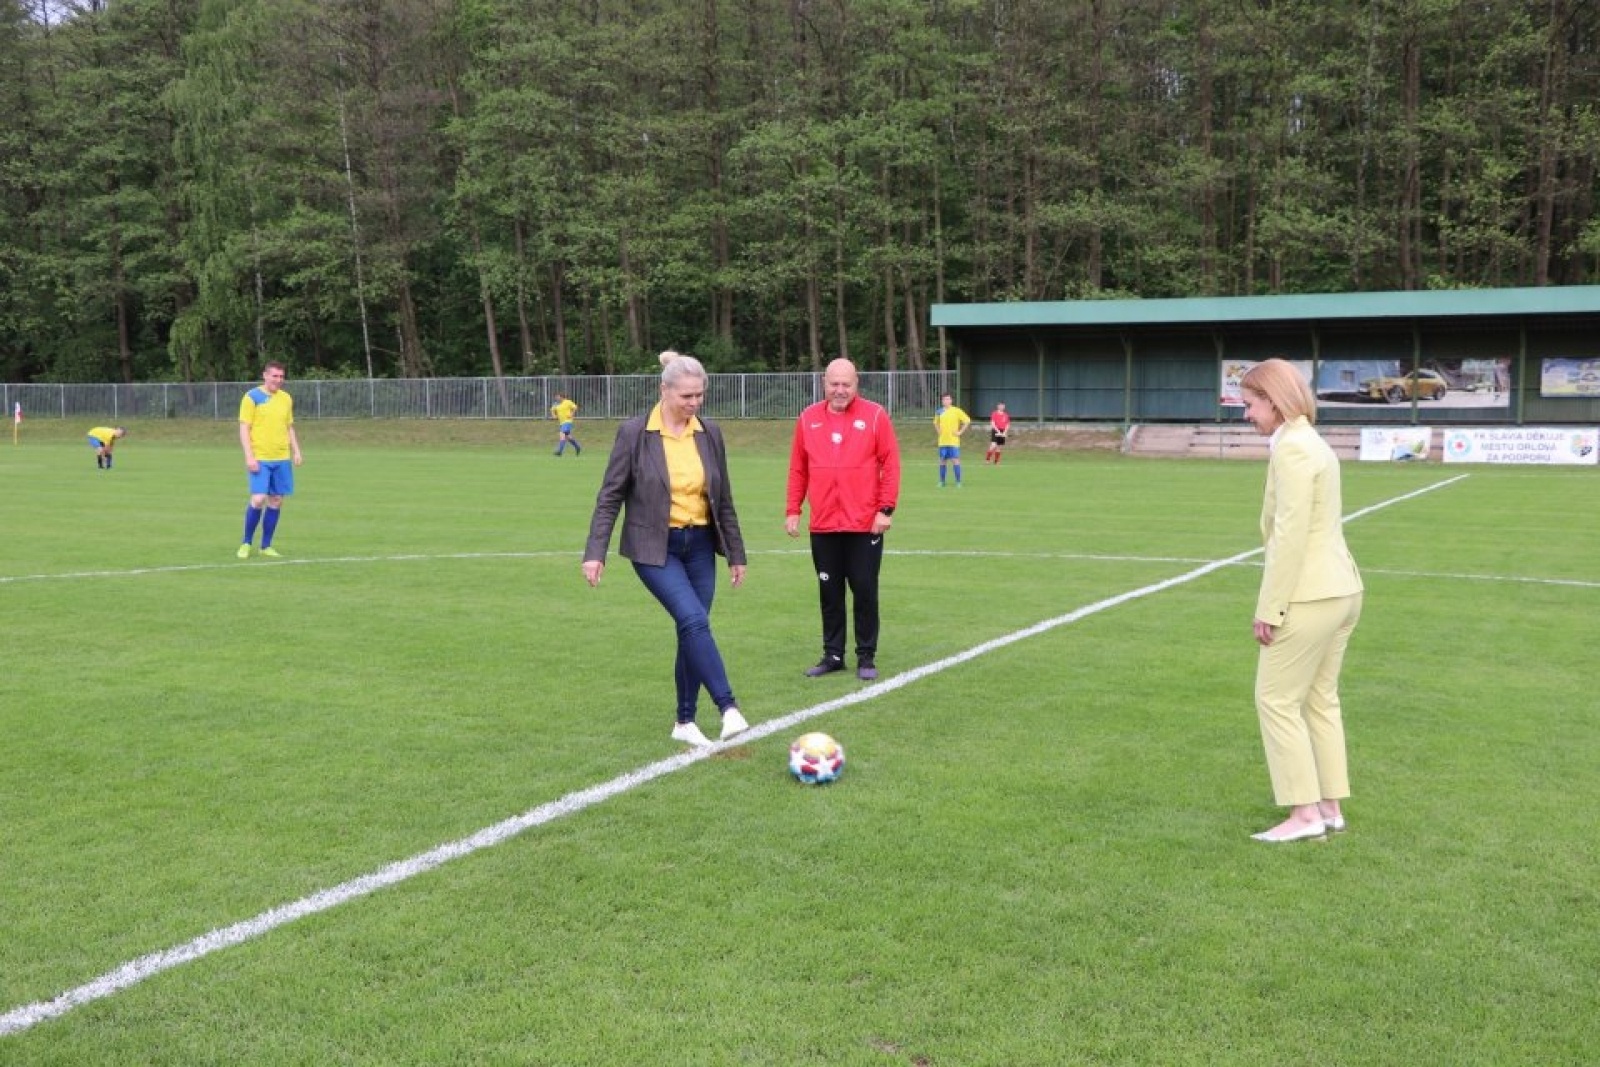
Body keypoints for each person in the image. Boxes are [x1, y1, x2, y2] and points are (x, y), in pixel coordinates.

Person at [583, 351, 749, 747]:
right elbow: (610, 496)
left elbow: (723, 497)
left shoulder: (710, 433)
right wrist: (595, 551)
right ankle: (728, 707)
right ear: (664, 390)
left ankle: (684, 721)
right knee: (694, 621)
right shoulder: (634, 433)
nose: (694, 403)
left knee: (692, 629)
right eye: (686, 396)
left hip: (701, 545)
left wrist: (736, 554)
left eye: (699, 395)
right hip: (654, 548)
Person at [1239, 358, 1364, 844]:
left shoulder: (1292, 448)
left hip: (1311, 593)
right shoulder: (1313, 442)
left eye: (1250, 404)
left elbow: (1289, 536)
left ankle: (1305, 813)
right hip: (1343, 589)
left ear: (1273, 400)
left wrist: (1269, 608)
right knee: (1319, 699)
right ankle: (1329, 806)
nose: (1247, 414)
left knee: (1275, 699)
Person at [786, 358, 901, 681]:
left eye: (846, 384)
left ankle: (866, 656)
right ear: (824, 382)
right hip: (823, 524)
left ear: (856, 383)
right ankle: (833, 654)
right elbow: (798, 467)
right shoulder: (808, 418)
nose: (840, 390)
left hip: (864, 524)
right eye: (834, 384)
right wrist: (793, 509)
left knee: (864, 590)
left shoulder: (876, 416)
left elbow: (890, 463)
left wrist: (886, 508)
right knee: (829, 593)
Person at [237, 361, 304, 559]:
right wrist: (249, 456)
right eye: (275, 376)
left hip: (281, 458)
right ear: (265, 376)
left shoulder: (286, 399)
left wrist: (296, 451)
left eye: (281, 377)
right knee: (258, 499)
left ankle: (266, 546)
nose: (278, 380)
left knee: (276, 500)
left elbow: (288, 427)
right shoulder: (252, 397)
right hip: (261, 457)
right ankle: (246, 543)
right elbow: (244, 428)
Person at [933, 392, 970, 487]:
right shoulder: (939, 411)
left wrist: (960, 432)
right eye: (945, 399)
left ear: (951, 400)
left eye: (948, 399)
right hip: (942, 441)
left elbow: (967, 421)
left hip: (953, 441)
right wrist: (938, 431)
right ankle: (942, 481)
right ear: (942, 401)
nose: (947, 401)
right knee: (942, 460)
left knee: (955, 460)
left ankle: (958, 482)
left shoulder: (956, 411)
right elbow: (935, 423)